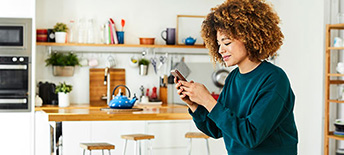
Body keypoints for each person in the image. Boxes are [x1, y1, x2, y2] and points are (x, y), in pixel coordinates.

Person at [174, 0, 298, 154]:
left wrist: (207, 100)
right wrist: (194, 105)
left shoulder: (274, 79)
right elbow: (216, 129)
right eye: (219, 44)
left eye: (226, 42)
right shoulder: (233, 78)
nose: (221, 50)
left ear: (249, 36)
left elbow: (251, 136)